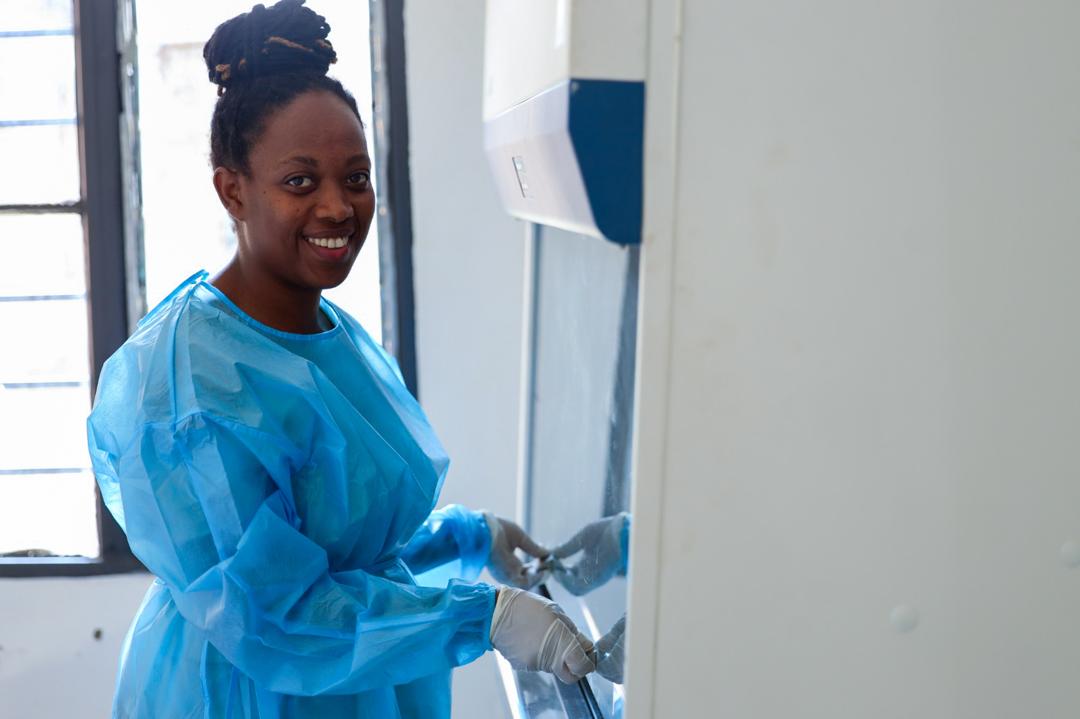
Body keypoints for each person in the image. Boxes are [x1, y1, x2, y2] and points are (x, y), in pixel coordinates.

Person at [86, 2, 594, 716]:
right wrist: (481, 616)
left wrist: (465, 537)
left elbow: (335, 538)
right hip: (249, 691)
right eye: (300, 181)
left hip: (346, 682)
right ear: (232, 188)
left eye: (355, 177)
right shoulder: (188, 385)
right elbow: (273, 611)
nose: (337, 207)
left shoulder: (322, 329)